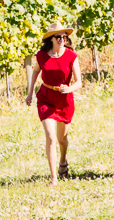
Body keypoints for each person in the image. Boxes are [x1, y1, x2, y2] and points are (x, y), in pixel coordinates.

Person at [24, 23, 81, 185]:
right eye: (58, 37)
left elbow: (79, 83)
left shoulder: (71, 55)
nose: (62, 39)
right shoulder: (42, 55)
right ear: (51, 39)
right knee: (50, 137)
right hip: (46, 97)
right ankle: (54, 178)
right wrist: (30, 93)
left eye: (64, 37)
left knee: (61, 138)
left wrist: (68, 88)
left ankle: (63, 159)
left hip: (64, 101)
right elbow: (36, 71)